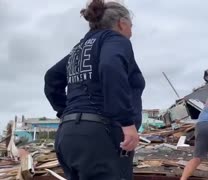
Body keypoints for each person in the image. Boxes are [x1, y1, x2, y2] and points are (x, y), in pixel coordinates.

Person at [44, 1, 145, 179]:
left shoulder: (79, 48)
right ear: (122, 23)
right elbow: (110, 66)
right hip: (100, 137)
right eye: (131, 26)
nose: (131, 32)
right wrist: (127, 123)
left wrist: (66, 112)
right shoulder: (114, 39)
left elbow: (52, 77)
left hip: (68, 136)